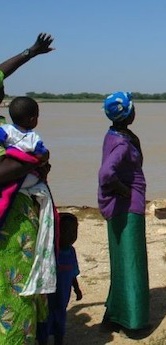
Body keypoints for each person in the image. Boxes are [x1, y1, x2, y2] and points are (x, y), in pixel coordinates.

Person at [0, 33, 56, 345]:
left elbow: (2, 69)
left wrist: (30, 52)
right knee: (16, 285)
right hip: (9, 222)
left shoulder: (4, 131)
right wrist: (37, 160)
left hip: (19, 207)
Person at [98, 91, 150, 335]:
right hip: (127, 208)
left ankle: (115, 314)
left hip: (119, 207)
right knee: (132, 261)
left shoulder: (115, 134)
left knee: (121, 260)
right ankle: (134, 322)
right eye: (133, 108)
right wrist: (124, 191)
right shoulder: (121, 143)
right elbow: (106, 174)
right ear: (128, 113)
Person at [37, 212, 82, 345]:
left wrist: (77, 289)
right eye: (66, 231)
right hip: (48, 297)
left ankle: (59, 340)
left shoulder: (71, 252)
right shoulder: (49, 252)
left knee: (60, 319)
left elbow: (73, 273)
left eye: (74, 231)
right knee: (45, 320)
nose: (71, 235)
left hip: (63, 297)